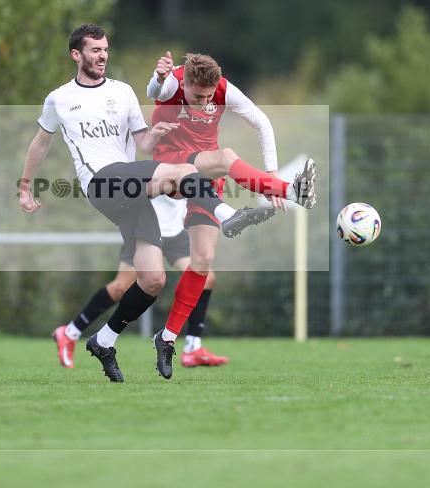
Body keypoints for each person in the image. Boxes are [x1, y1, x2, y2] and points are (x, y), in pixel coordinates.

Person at [20, 24, 269, 383]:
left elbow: (144, 144)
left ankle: (103, 341)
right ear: (76, 55)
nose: (102, 55)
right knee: (183, 171)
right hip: (103, 182)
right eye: (94, 50)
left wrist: (157, 135)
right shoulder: (59, 98)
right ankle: (228, 215)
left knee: (152, 279)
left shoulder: (122, 93)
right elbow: (41, 143)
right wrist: (26, 185)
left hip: (131, 191)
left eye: (105, 49)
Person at [146, 51, 317, 380]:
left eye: (210, 97)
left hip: (206, 175)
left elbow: (261, 122)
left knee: (203, 261)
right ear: (188, 82)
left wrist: (268, 170)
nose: (205, 102)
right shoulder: (174, 84)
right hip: (171, 165)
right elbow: (156, 92)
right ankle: (289, 190)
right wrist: (158, 77)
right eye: (199, 96)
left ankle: (166, 338)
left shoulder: (222, 89)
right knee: (226, 156)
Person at [52, 194, 229, 370]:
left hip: (175, 233)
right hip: (147, 231)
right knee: (120, 287)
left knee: (206, 279)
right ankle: (69, 333)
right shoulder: (160, 165)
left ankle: (193, 347)